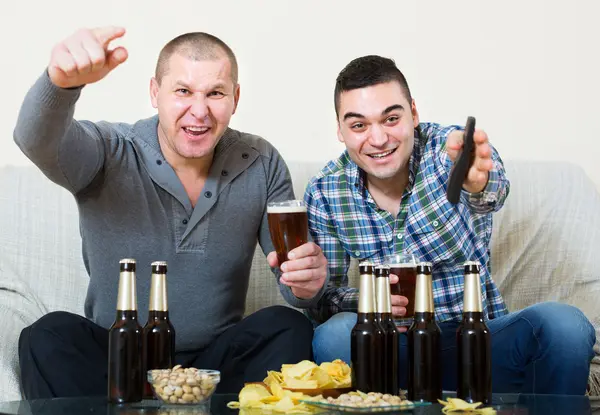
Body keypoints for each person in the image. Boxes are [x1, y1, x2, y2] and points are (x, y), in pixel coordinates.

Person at [14, 26, 329, 399]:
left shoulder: (260, 163)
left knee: (287, 326)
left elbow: (296, 285)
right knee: (47, 334)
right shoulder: (110, 150)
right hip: (116, 360)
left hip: (215, 368)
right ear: (155, 93)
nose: (200, 111)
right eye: (183, 91)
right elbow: (35, 141)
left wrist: (309, 284)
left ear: (235, 98)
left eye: (215, 93)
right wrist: (60, 85)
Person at [305, 55, 596, 395]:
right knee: (334, 334)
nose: (379, 138)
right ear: (340, 131)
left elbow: (491, 190)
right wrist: (370, 300)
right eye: (359, 126)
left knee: (566, 324)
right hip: (390, 353)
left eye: (391, 118)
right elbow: (325, 297)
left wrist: (477, 183)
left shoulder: (449, 151)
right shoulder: (326, 190)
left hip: (476, 342)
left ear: (413, 114)